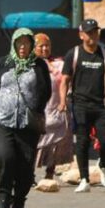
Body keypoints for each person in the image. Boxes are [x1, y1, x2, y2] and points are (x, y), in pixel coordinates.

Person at [0, 28, 52, 208]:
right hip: (2, 120)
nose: (22, 47)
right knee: (5, 156)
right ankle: (3, 199)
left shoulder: (39, 65)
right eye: (19, 43)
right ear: (14, 44)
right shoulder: (2, 63)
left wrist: (35, 108)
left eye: (26, 43)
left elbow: (46, 91)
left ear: (31, 44)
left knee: (26, 164)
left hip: (27, 123)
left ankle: (19, 201)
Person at [60, 19, 105, 193]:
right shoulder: (74, 54)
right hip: (80, 105)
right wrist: (63, 101)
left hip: (102, 105)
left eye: (94, 31)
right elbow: (65, 80)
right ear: (81, 35)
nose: (92, 35)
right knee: (82, 142)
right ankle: (84, 179)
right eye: (89, 32)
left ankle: (104, 164)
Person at [33, 33, 73, 180]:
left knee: (56, 141)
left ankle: (50, 171)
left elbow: (67, 82)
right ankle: (29, 173)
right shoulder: (30, 65)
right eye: (41, 46)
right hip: (39, 109)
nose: (44, 49)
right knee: (35, 141)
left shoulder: (60, 64)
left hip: (56, 106)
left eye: (47, 46)